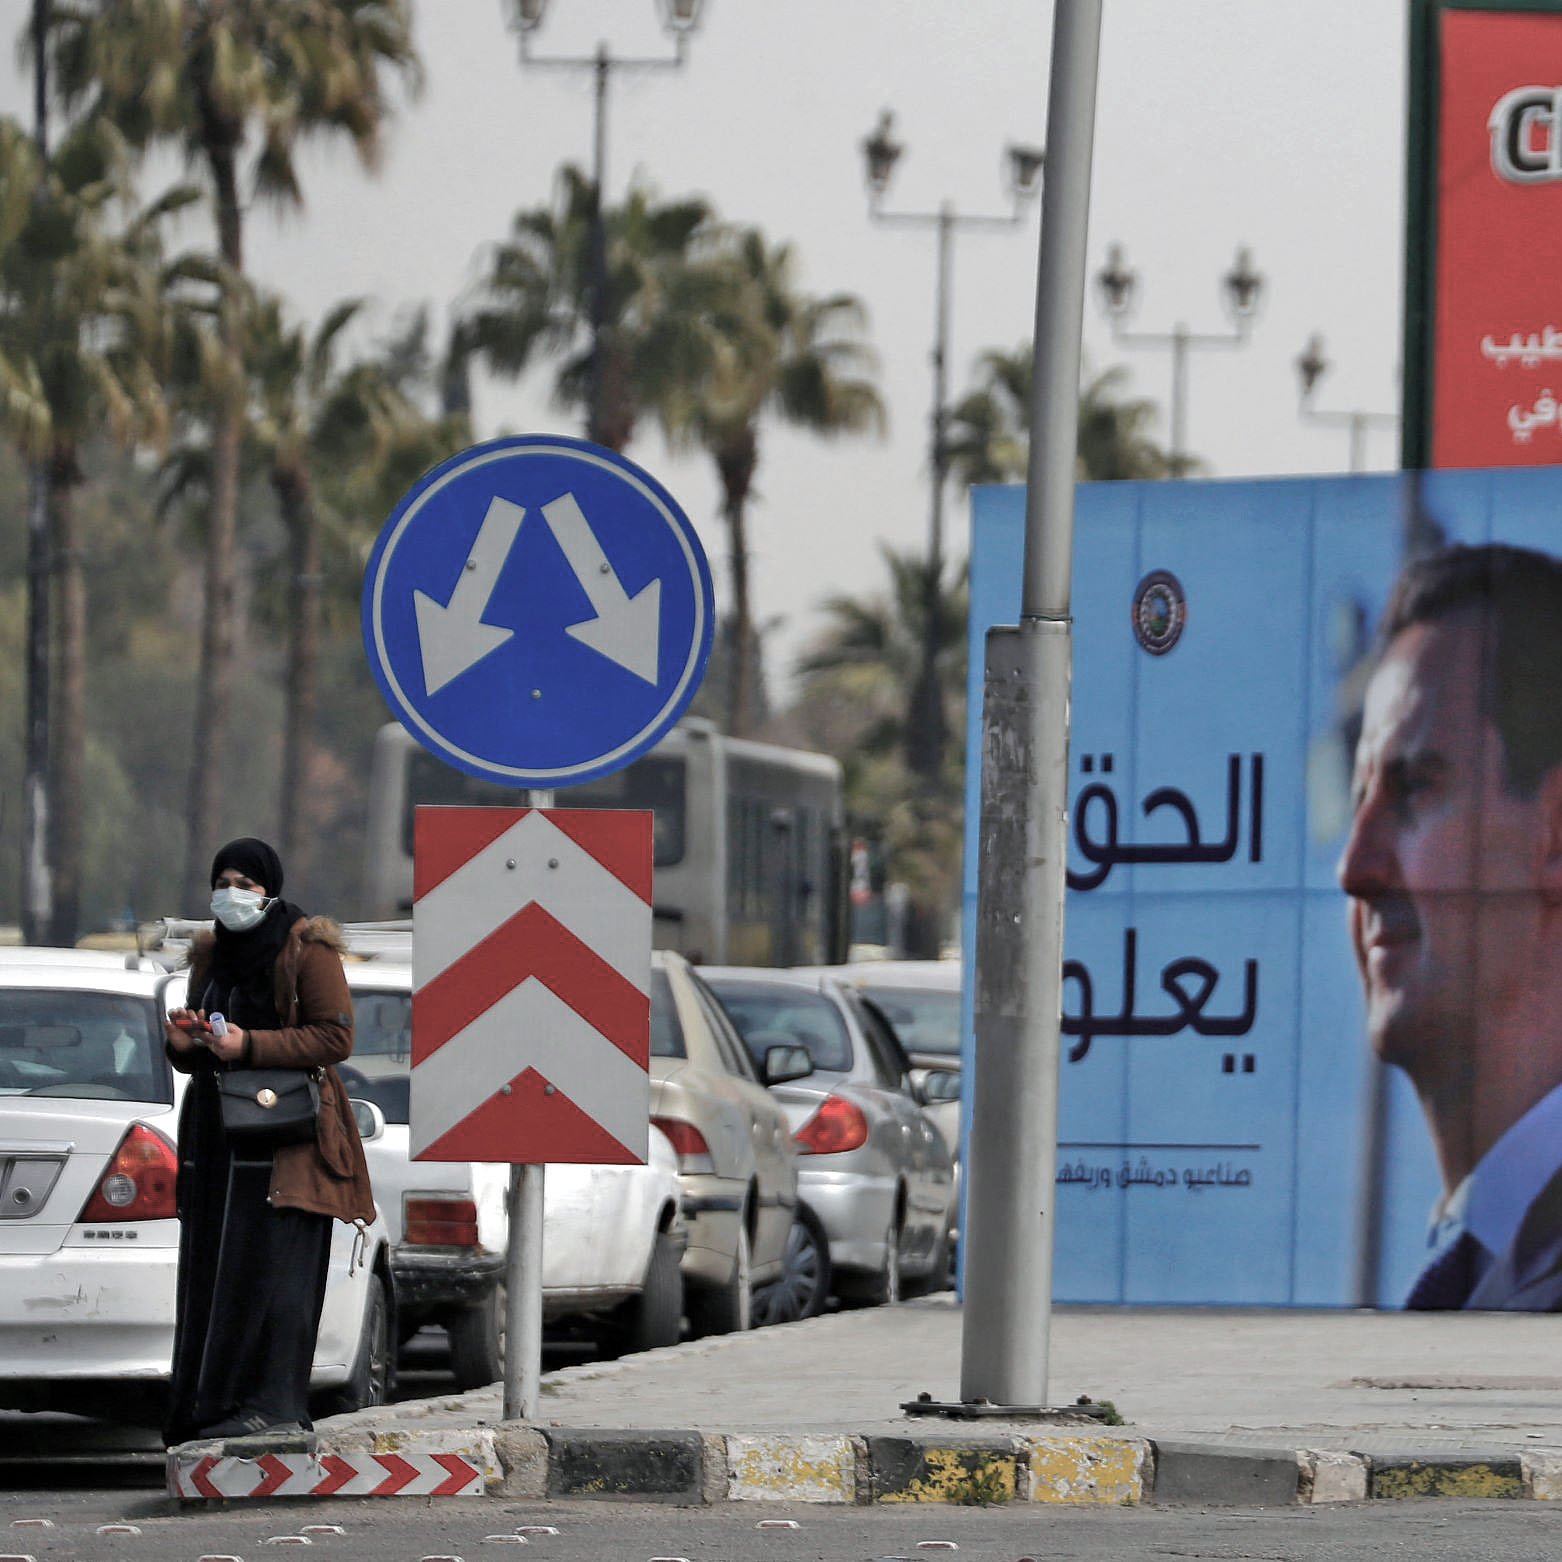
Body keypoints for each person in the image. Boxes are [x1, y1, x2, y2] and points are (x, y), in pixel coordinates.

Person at [1338, 542, 1562, 1310]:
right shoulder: (1485, 1270)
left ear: (1555, 833)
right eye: (1358, 801)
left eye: (1413, 790)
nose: (1355, 869)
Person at [163, 837, 374, 1444]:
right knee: (213, 1274)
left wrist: (249, 1044)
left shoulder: (307, 948)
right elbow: (204, 1042)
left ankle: (271, 1404)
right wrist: (186, 1043)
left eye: (245, 885)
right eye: (222, 883)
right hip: (218, 1141)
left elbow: (334, 1038)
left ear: (269, 890)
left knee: (275, 1277)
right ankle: (209, 1404)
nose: (231, 895)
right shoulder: (211, 951)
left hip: (286, 1142)